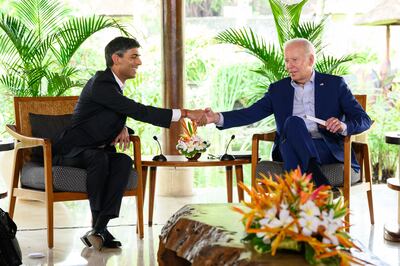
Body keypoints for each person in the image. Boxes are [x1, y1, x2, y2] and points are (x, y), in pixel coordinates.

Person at [52, 36, 203, 250]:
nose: (139, 62)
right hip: (72, 151)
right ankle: (98, 228)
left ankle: (99, 228)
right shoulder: (101, 83)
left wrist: (123, 128)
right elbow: (137, 110)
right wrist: (185, 113)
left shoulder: (112, 85)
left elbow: (108, 113)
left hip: (95, 151)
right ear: (116, 58)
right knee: (100, 159)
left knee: (122, 160)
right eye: (134, 57)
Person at [201, 38, 372, 189]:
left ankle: (292, 207)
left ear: (310, 60)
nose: (289, 66)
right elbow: (251, 113)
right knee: (293, 123)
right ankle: (317, 177)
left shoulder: (334, 85)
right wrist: (216, 118)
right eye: (286, 60)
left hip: (325, 148)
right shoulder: (279, 89)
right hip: (289, 145)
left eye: (294, 60)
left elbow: (363, 119)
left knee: (291, 142)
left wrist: (343, 126)